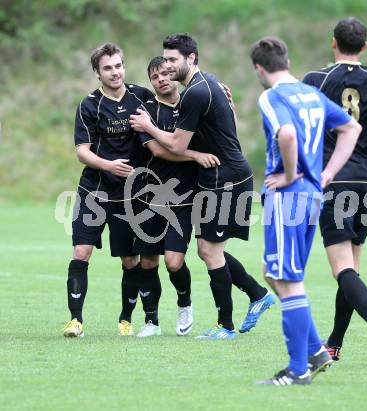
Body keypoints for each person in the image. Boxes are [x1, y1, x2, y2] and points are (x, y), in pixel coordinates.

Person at [130, 33, 274, 339]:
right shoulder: (205, 84)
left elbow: (177, 144)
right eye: (164, 59)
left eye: (172, 60)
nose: (167, 66)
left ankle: (226, 326)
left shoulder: (196, 92)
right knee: (210, 249)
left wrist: (148, 126)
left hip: (226, 179)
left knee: (209, 250)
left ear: (191, 58)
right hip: (221, 177)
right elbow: (228, 130)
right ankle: (257, 294)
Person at [250, 36, 361, 385]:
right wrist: (326, 173)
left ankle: (298, 370)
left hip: (288, 197)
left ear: (259, 68)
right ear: (287, 60)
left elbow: (286, 134)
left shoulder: (272, 96)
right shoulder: (312, 94)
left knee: (287, 279)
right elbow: (352, 127)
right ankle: (315, 351)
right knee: (275, 272)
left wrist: (290, 171)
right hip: (312, 197)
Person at [303, 17, 367, 366]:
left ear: (334, 43)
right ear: (364, 45)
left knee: (342, 270)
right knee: (351, 271)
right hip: (365, 182)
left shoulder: (317, 79)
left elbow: (304, 131)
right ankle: (333, 345)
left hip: (334, 181)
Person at [63, 42, 154, 338]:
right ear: (97, 73)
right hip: (94, 191)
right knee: (81, 251)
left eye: (118, 66)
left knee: (131, 260)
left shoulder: (141, 97)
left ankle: (126, 319)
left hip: (130, 196)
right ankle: (75, 320)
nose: (115, 72)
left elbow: (170, 113)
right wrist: (108, 165)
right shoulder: (89, 105)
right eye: (107, 68)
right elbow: (82, 151)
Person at [130, 56, 220, 337]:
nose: (162, 79)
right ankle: (151, 321)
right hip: (149, 196)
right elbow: (158, 150)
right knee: (147, 262)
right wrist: (195, 155)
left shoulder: (192, 103)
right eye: (155, 76)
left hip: (184, 198)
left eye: (166, 73)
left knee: (173, 261)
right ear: (151, 82)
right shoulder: (144, 112)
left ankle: (185, 303)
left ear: (175, 74)